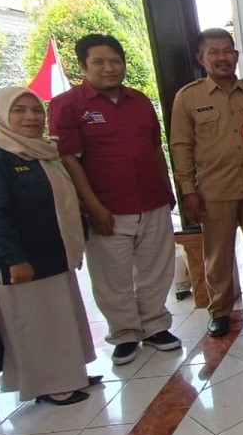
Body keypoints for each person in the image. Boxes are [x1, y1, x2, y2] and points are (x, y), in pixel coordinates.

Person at [48, 34, 180, 366]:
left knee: (156, 269)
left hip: (151, 200)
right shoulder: (68, 105)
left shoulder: (139, 101)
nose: (109, 68)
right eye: (99, 62)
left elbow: (154, 150)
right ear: (82, 66)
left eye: (115, 61)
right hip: (107, 207)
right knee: (112, 275)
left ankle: (154, 326)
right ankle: (124, 333)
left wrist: (167, 191)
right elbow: (68, 159)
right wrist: (92, 205)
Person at [0, 87, 98, 405]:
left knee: (58, 316)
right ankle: (49, 385)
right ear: (0, 115)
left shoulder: (42, 152)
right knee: (34, 322)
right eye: (19, 110)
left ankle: (68, 373)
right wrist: (14, 258)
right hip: (21, 259)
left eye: (36, 110)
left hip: (53, 250)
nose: (30, 117)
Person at [170, 28, 243, 337]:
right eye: (214, 52)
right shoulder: (188, 97)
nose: (222, 58)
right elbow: (180, 147)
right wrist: (188, 191)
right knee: (217, 253)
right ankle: (219, 309)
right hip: (214, 189)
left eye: (227, 51)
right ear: (201, 58)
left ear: (236, 55)